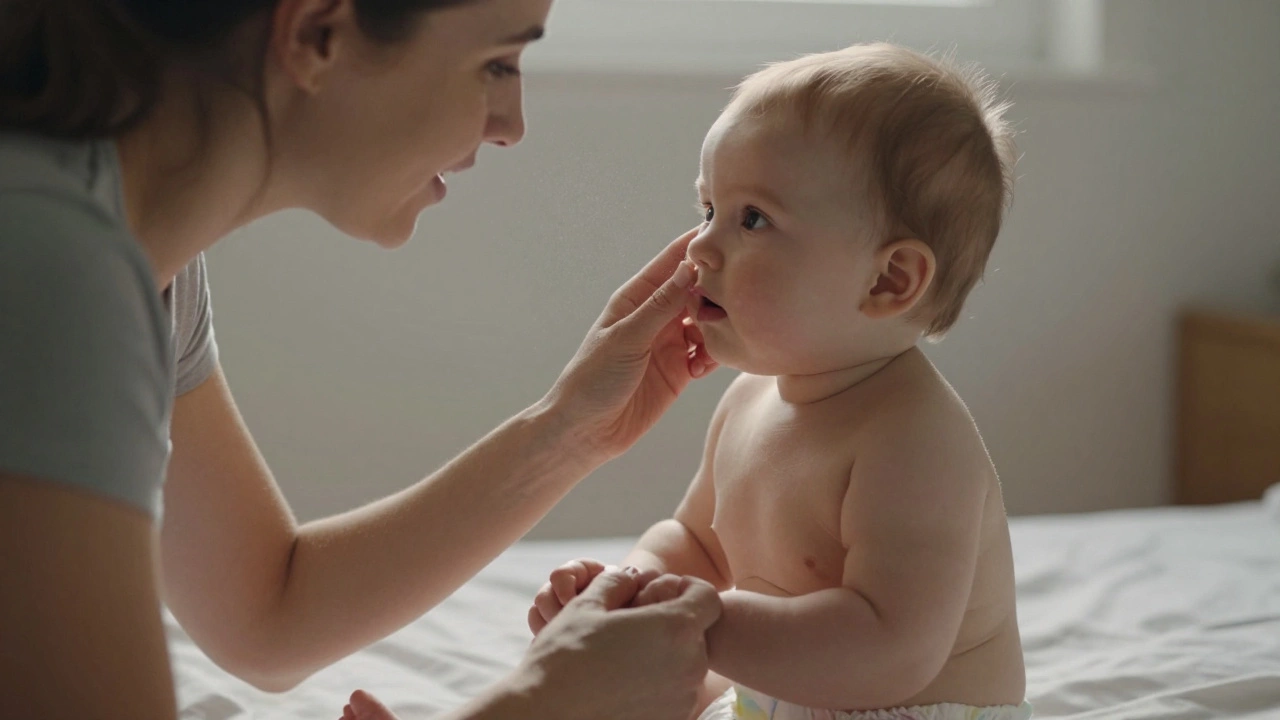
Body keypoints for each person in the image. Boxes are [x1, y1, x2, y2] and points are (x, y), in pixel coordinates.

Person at [0, 1, 724, 718]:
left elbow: (266, 616)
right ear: (318, 33)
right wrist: (544, 703)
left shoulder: (136, 253)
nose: (512, 125)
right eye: (497, 64)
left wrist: (570, 430)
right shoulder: (49, 263)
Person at [526, 43, 1031, 720]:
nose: (699, 247)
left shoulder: (915, 440)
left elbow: (892, 648)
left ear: (888, 281)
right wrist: (629, 593)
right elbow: (698, 542)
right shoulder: (749, 402)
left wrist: (705, 625)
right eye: (709, 210)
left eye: (752, 219)